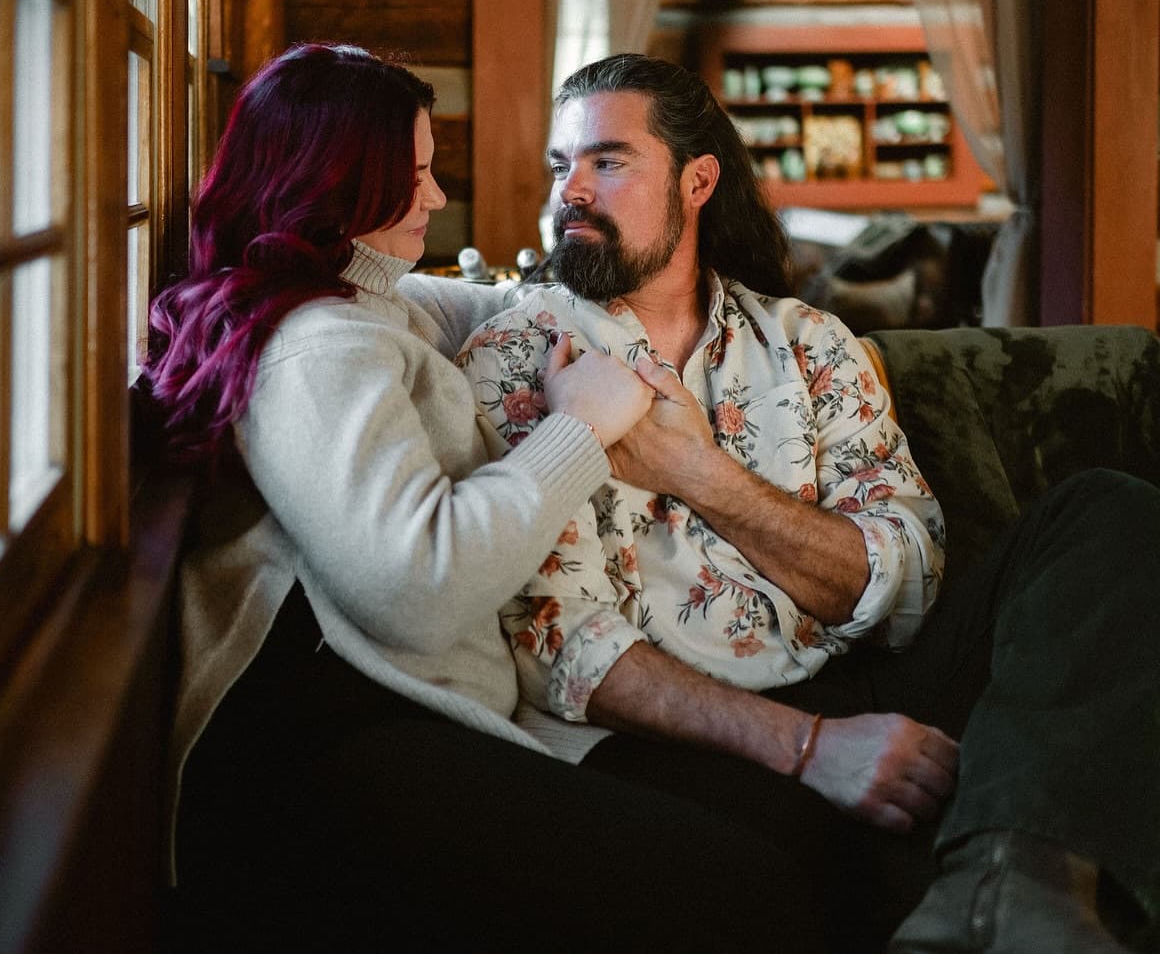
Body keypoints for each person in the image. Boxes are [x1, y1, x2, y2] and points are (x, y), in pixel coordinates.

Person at [457, 52, 1160, 952]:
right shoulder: (519, 359)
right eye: (563, 167)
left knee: (1106, 511)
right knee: (778, 879)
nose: (573, 193)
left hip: (871, 674)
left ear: (698, 179)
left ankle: (1014, 883)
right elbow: (559, 639)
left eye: (609, 161)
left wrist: (695, 472)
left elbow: (906, 575)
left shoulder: (810, 343)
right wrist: (813, 747)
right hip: (691, 729)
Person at [148, 43, 835, 950]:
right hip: (334, 739)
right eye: (419, 174)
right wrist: (578, 432)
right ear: (339, 183)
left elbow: (495, 308)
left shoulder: (366, 302)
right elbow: (417, 588)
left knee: (781, 838)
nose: (436, 197)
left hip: (413, 709)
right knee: (744, 893)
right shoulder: (317, 347)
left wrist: (628, 297)